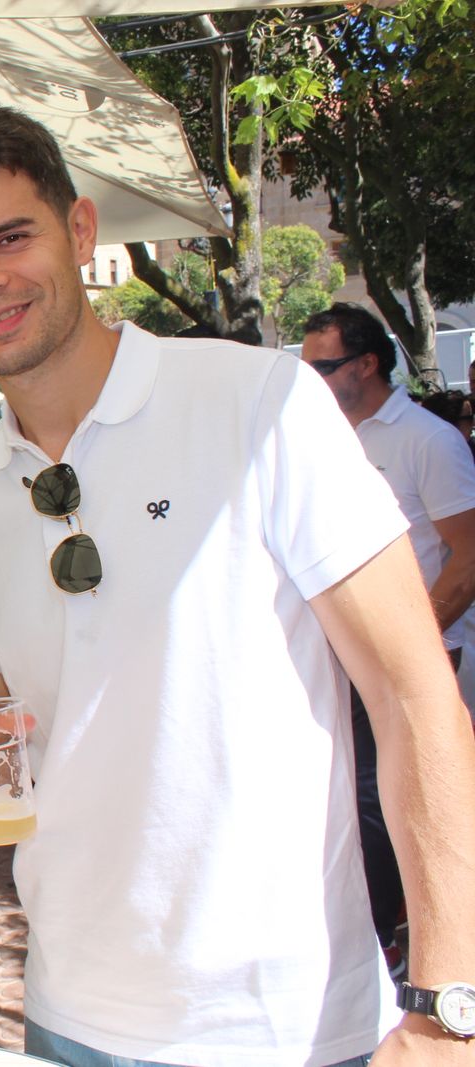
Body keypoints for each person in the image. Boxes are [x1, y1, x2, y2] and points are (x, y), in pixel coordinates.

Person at [0, 105, 475, 1065]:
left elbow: (416, 699)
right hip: (67, 1013)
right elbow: (1, 727)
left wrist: (447, 1003)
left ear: (80, 232)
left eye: (8, 237)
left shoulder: (261, 404)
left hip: (284, 1026)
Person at [302, 302, 475, 972]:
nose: (310, 377)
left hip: (417, 655)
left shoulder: (426, 440)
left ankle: (394, 946)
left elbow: (467, 552)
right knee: (346, 795)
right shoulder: (319, 436)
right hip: (338, 658)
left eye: (323, 365)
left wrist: (409, 641)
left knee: (388, 798)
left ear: (367, 364)